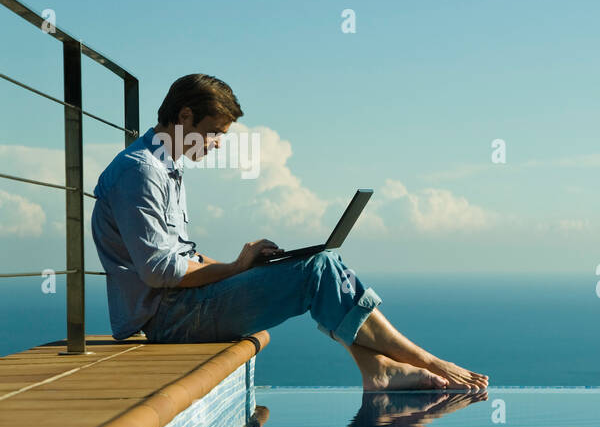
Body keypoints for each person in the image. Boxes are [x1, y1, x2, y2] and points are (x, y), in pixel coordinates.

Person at [90, 74, 487, 392]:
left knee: (319, 263)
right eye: (213, 133)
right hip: (168, 320)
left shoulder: (165, 170)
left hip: (181, 306)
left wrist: (242, 266)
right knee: (314, 273)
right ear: (185, 116)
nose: (215, 145)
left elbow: (182, 257)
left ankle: (377, 368)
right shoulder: (140, 172)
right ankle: (425, 361)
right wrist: (235, 267)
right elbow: (160, 273)